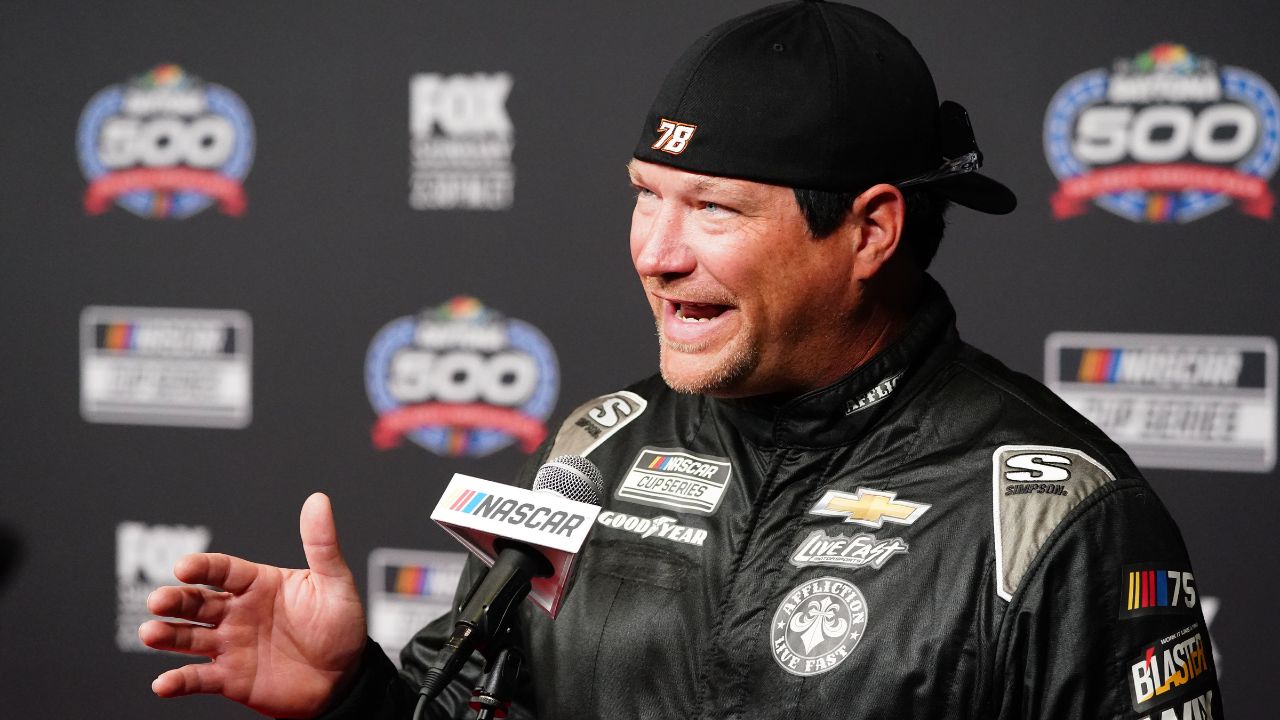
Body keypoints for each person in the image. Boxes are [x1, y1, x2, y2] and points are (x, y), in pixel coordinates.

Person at [141, 2, 1224, 718]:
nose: (655, 254)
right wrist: (352, 696)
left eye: (711, 207)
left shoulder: (1055, 513)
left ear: (869, 232)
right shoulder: (597, 447)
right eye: (643, 197)